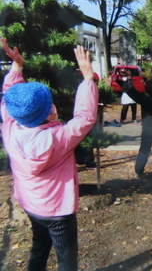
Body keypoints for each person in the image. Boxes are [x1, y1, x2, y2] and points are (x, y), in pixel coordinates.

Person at [1, 38, 98, 270]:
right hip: (58, 211)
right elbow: (85, 118)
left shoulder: (10, 126)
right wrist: (87, 79)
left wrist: (17, 67)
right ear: (50, 110)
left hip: (31, 204)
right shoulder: (56, 139)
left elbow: (9, 97)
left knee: (39, 247)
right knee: (66, 258)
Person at [123, 65, 152, 181]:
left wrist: (128, 78)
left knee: (144, 149)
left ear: (145, 90)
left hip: (147, 127)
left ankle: (138, 172)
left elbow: (129, 90)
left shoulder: (143, 99)